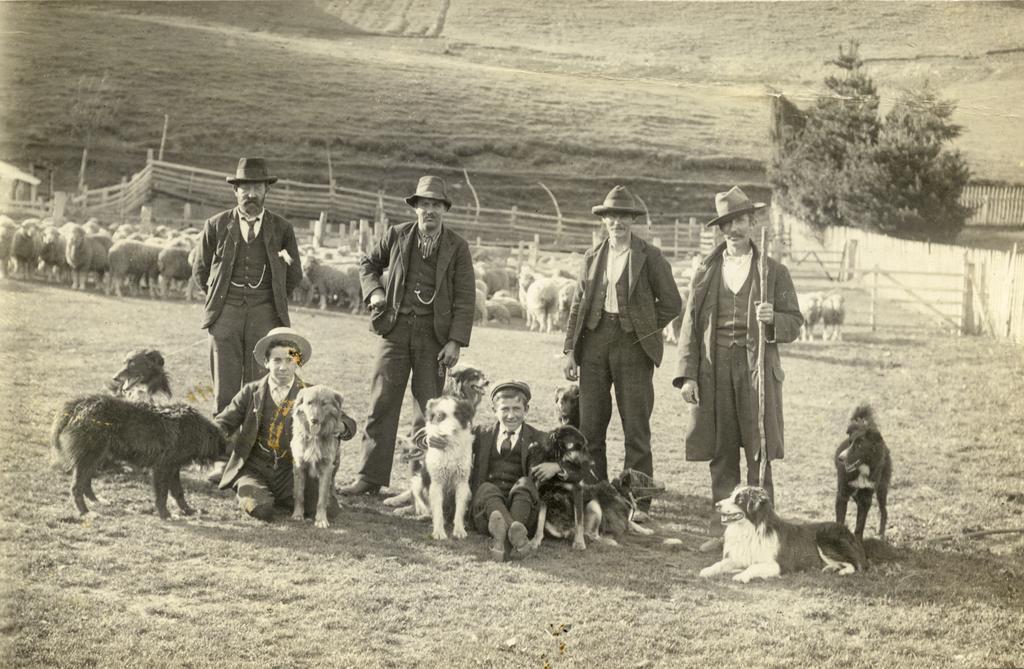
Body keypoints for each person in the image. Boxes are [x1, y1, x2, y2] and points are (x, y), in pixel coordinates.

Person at [672, 186, 803, 552]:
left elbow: (796, 322)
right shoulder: (705, 271)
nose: (733, 229)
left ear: (752, 222)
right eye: (726, 223)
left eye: (740, 221)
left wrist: (773, 318)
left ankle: (765, 529)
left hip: (756, 370)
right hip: (715, 370)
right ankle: (726, 533)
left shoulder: (773, 272)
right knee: (722, 450)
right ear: (721, 229)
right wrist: (688, 375)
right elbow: (690, 325)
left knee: (758, 449)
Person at [338, 176, 476, 496]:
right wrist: (374, 293)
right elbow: (368, 263)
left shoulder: (457, 247)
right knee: (381, 402)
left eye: (436, 205)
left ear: (444, 210)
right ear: (415, 209)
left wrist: (455, 341)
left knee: (427, 412)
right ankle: (369, 477)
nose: (429, 211)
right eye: (424, 205)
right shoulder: (397, 236)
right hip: (395, 331)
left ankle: (417, 483)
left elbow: (465, 298)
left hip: (435, 339)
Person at [562, 185, 682, 522]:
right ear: (604, 221)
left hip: (633, 348)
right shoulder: (592, 256)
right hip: (594, 345)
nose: (618, 222)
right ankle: (595, 496)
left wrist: (644, 326)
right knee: (590, 427)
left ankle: (638, 504)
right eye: (612, 216)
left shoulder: (650, 256)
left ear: (633, 220)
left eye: (625, 216)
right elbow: (577, 306)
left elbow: (672, 303)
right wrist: (570, 350)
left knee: (636, 429)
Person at [192, 157, 303, 482]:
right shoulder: (216, 225)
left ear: (266, 191)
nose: (250, 194)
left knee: (260, 388)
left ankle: (254, 459)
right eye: (244, 188)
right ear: (235, 191)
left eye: (256, 188)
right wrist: (220, 301)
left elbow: (293, 273)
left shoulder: (282, 229)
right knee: (224, 390)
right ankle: (220, 457)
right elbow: (200, 270)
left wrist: (271, 300)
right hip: (225, 316)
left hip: (264, 316)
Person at [215, 327, 357, 520]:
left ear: (297, 362)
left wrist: (342, 427)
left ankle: (285, 497)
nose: (283, 367)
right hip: (255, 467)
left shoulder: (310, 392)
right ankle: (248, 489)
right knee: (262, 509)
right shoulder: (251, 391)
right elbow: (223, 422)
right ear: (266, 362)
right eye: (277, 360)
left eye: (289, 360)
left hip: (291, 470)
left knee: (328, 511)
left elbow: (347, 421)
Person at [468, 381, 557, 562]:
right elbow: (451, 440)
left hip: (523, 509)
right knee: (486, 488)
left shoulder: (540, 437)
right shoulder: (481, 433)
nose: (511, 415)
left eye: (517, 409)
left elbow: (580, 464)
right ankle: (515, 538)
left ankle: (502, 541)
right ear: (494, 410)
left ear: (527, 409)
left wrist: (557, 467)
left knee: (525, 483)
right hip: (487, 510)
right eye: (504, 409)